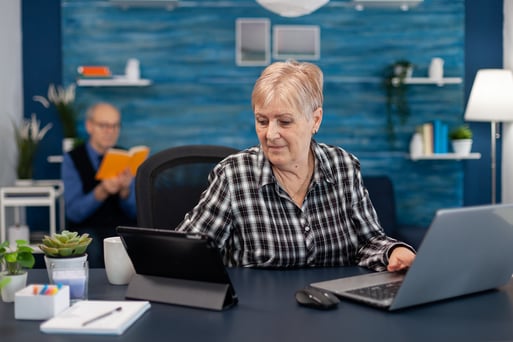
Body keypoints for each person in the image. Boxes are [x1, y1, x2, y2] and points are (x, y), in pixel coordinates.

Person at [177, 60, 415, 272]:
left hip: (335, 308)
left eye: (285, 122)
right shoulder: (234, 175)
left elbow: (369, 241)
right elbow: (186, 252)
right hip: (258, 312)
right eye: (262, 121)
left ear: (316, 120)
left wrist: (393, 252)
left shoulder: (344, 166)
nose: (271, 134)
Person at [61, 102, 137, 267]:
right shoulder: (73, 159)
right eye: (104, 125)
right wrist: (101, 191)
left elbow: (135, 211)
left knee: (134, 243)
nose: (110, 131)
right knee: (92, 248)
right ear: (89, 126)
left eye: (115, 126)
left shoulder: (126, 157)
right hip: (87, 230)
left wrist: (125, 192)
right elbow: (74, 213)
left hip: (120, 228)